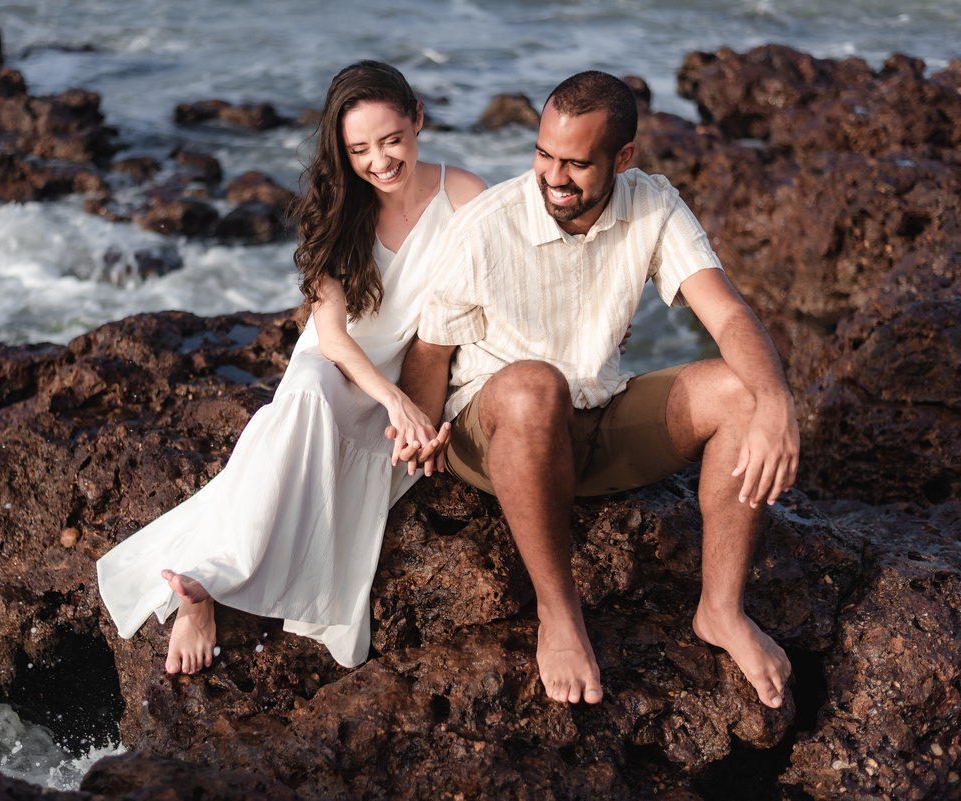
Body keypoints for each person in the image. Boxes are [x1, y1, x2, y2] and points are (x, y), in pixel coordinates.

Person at [400, 70, 798, 710]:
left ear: (624, 158)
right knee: (536, 387)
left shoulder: (654, 204)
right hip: (501, 431)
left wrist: (778, 402)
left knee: (744, 393)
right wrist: (417, 438)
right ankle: (559, 614)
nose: (554, 176)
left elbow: (724, 314)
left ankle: (721, 611)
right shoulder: (485, 226)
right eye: (544, 154)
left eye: (577, 163)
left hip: (597, 419)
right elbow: (430, 352)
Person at [96, 60, 486, 674]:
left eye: (392, 140)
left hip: (413, 375)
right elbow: (330, 336)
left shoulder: (465, 195)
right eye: (360, 149)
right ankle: (203, 586)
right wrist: (394, 402)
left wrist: (423, 403)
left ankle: (214, 580)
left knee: (298, 437)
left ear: (418, 120)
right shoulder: (335, 211)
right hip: (341, 369)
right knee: (303, 392)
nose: (380, 162)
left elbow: (508, 288)